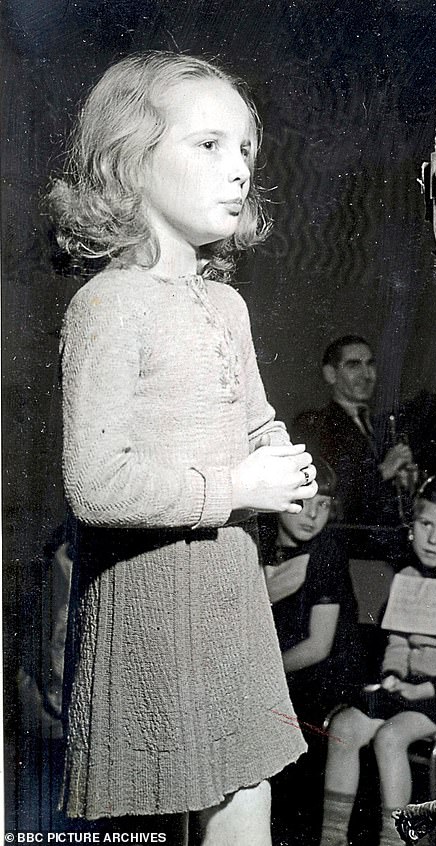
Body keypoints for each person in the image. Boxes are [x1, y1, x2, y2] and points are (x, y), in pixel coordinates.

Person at [48, 51, 318, 846]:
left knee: (246, 797)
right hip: (151, 597)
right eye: (208, 146)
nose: (236, 169)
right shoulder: (108, 305)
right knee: (162, 811)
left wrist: (287, 467)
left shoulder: (226, 305)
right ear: (127, 165)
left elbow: (255, 420)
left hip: (229, 587)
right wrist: (238, 483)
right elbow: (95, 484)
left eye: (244, 151)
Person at [319, 474, 436, 846]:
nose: (433, 539)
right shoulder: (407, 576)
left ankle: (393, 839)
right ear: (411, 526)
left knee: (390, 738)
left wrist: (423, 688)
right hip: (407, 686)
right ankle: (331, 838)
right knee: (345, 727)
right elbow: (396, 639)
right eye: (426, 524)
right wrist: (393, 674)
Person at [261, 458, 365, 846]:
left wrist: (261, 676)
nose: (313, 515)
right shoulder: (259, 544)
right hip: (284, 675)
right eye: (306, 502)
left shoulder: (327, 553)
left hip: (326, 679)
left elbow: (319, 647)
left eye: (324, 506)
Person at [294, 335, 415, 528]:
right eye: (354, 365)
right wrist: (384, 471)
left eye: (370, 365)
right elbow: (334, 495)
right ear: (330, 374)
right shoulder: (315, 425)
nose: (367, 375)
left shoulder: (383, 425)